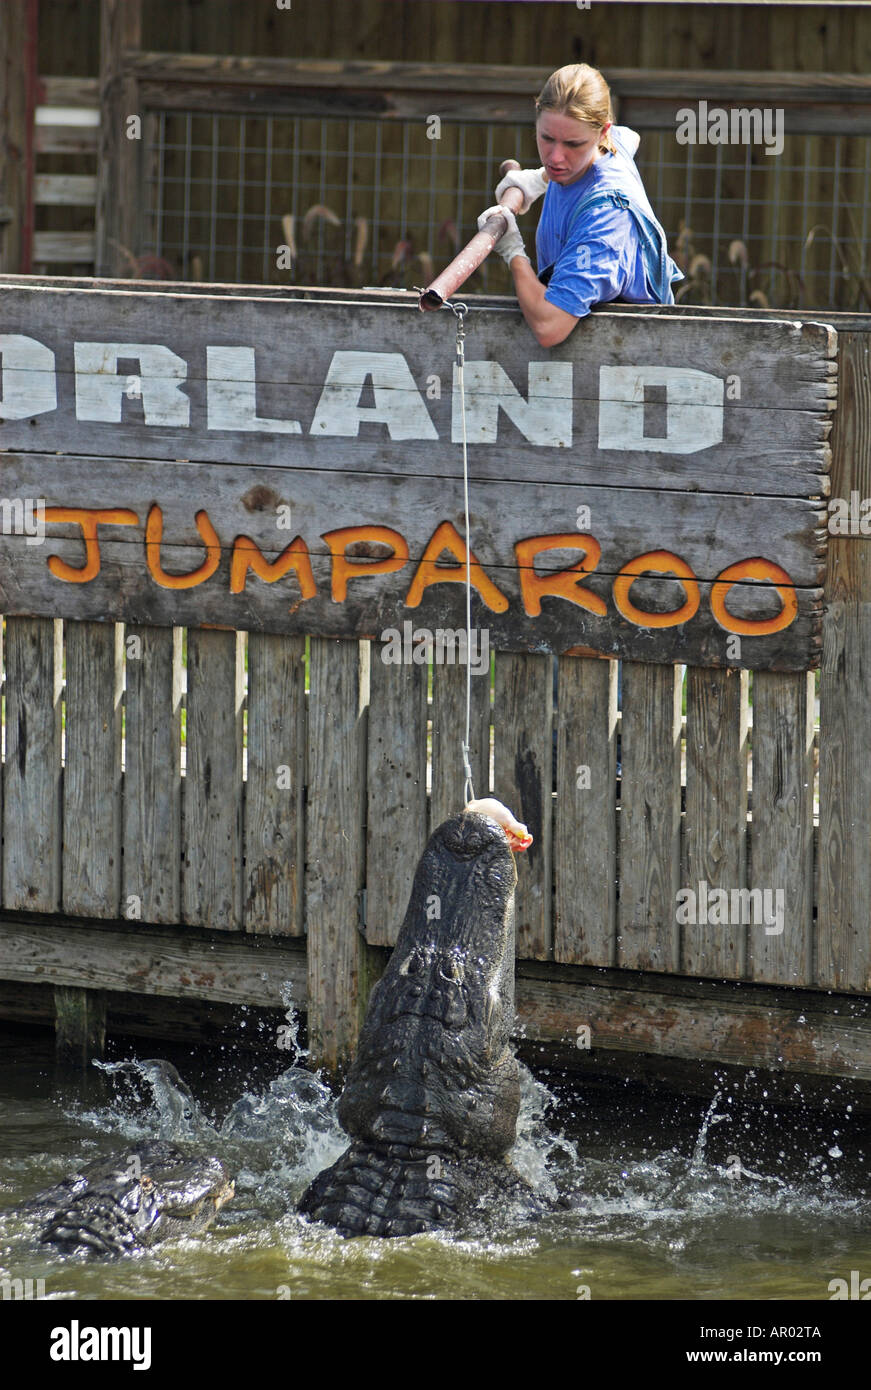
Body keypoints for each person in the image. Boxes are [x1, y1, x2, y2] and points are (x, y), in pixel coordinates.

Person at [478, 63, 683, 346]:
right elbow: (629, 137)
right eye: (547, 138)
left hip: (627, 359)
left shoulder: (607, 217)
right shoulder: (612, 146)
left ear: (602, 133)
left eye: (573, 144)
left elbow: (549, 327)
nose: (556, 158)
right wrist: (539, 179)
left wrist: (513, 250)